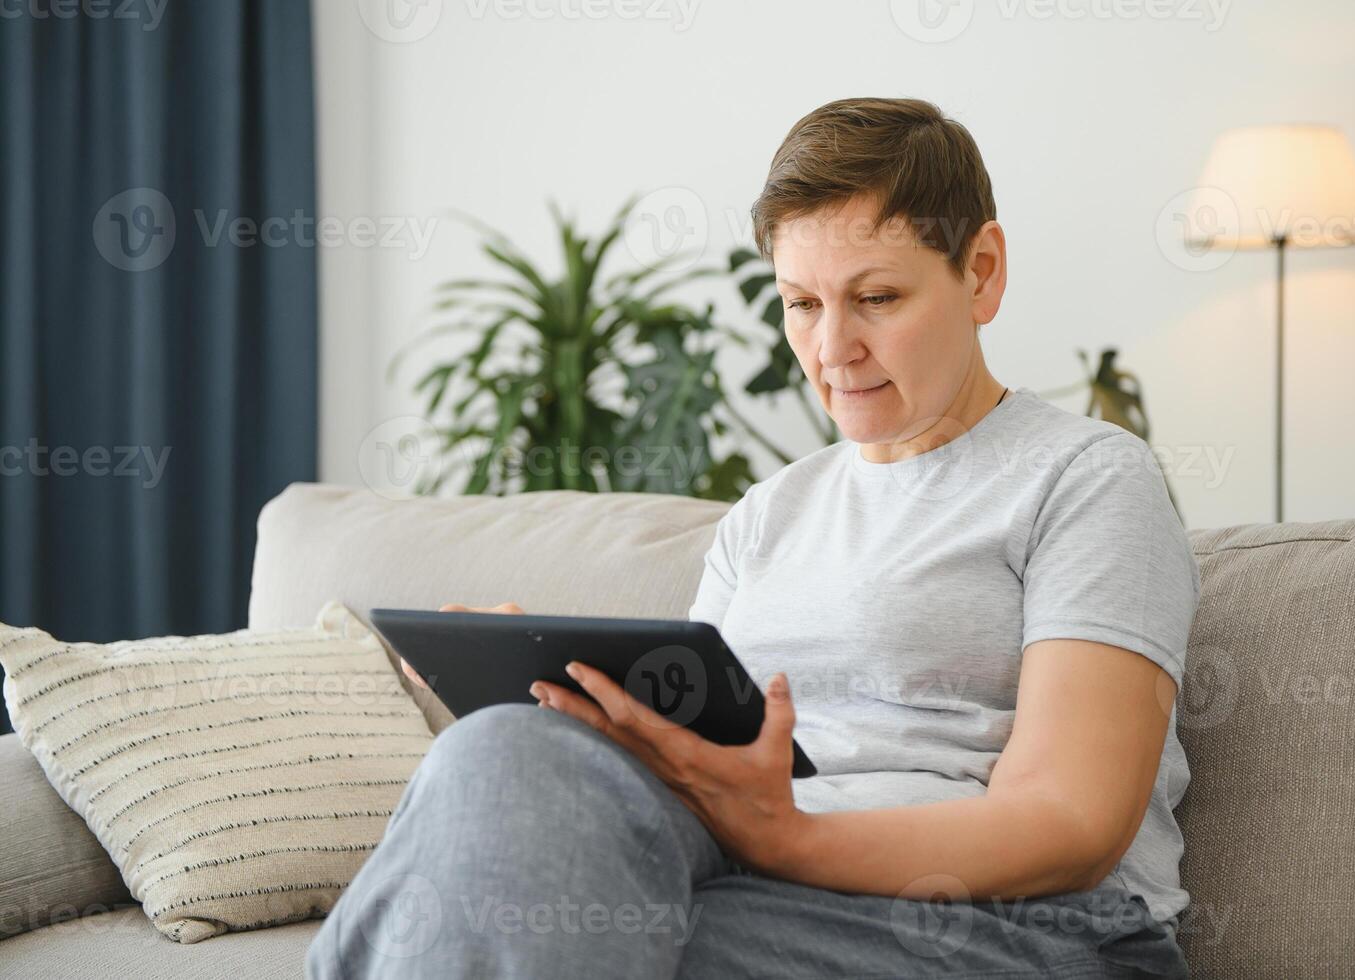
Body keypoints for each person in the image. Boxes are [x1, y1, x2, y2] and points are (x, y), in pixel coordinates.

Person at [306, 96, 1200, 978]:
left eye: (877, 298)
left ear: (982, 271)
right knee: (501, 755)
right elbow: (715, 761)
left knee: (552, 924)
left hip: (1023, 928)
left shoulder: (1085, 478)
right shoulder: (767, 514)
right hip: (762, 878)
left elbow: (1069, 823)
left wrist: (785, 836)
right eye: (801, 303)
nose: (831, 347)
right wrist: (574, 710)